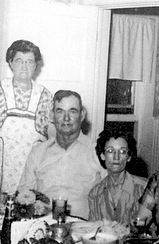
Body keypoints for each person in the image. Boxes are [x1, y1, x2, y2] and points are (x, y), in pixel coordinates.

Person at [16, 90, 106, 219]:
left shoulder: (97, 152)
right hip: (43, 228)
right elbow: (23, 194)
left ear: (82, 115)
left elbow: (112, 198)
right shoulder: (38, 152)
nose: (66, 118)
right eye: (60, 111)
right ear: (52, 115)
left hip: (85, 229)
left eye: (73, 111)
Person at [0, 39, 54, 193]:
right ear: (11, 63)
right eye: (19, 61)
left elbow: (52, 139)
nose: (24, 66)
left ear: (36, 65)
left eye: (29, 61)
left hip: (31, 166)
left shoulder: (45, 96)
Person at [87, 129, 147, 225]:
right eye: (110, 151)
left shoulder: (143, 189)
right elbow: (93, 230)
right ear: (102, 155)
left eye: (122, 152)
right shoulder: (95, 194)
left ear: (129, 157)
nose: (116, 157)